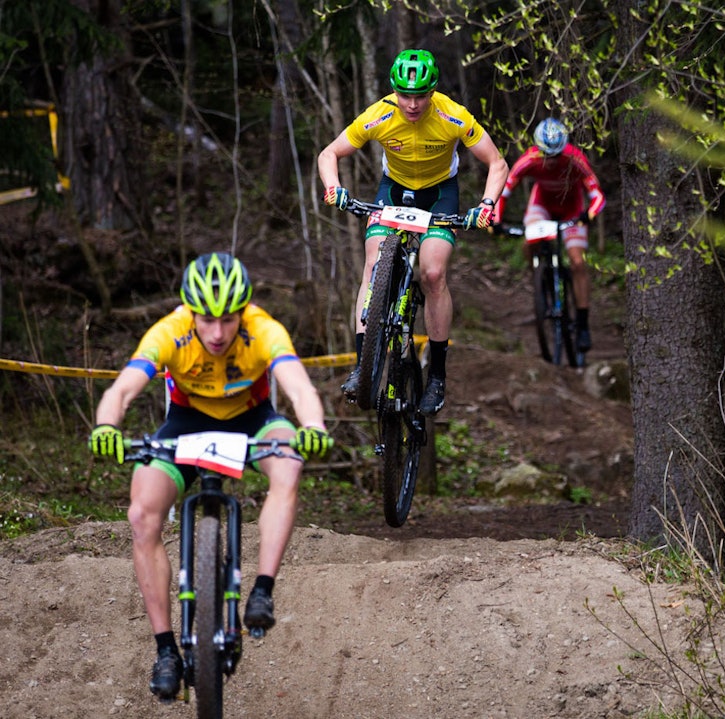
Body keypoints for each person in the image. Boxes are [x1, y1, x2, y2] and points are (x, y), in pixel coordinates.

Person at [87, 252, 332, 701]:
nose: (217, 333)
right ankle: (166, 651)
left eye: (228, 319)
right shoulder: (170, 332)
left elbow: (300, 387)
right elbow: (122, 388)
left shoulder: (264, 330)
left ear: (243, 311)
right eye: (206, 319)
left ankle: (262, 590)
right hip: (186, 422)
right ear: (190, 312)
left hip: (252, 418)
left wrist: (313, 427)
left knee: (290, 463)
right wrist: (106, 425)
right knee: (142, 515)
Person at [318, 48, 509, 415]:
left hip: (439, 194)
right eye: (405, 95)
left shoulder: (453, 115)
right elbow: (329, 154)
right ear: (394, 91)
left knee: (433, 274)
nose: (412, 104)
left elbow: (497, 163)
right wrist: (333, 188)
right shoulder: (380, 115)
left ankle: (437, 376)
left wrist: (486, 205)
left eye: (420, 95)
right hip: (393, 190)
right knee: (372, 265)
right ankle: (362, 367)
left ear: (432, 91)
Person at [491, 117, 606, 353]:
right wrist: (496, 220)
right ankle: (540, 276)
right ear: (538, 149)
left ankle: (583, 325)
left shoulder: (574, 158)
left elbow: (598, 196)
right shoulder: (529, 159)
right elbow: (505, 191)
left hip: (572, 208)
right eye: (546, 155)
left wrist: (589, 215)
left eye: (555, 155)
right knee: (529, 241)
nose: (551, 161)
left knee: (576, 262)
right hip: (541, 204)